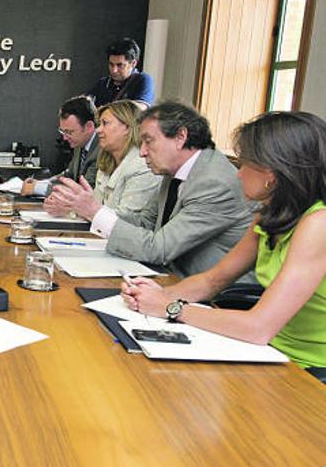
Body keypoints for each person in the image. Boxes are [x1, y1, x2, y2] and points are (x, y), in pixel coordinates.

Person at [122, 111, 326, 369]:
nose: (238, 174)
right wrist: (155, 294)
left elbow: (259, 327)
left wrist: (171, 307)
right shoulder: (269, 213)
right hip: (266, 351)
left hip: (308, 370)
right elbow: (213, 280)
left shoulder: (318, 224)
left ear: (272, 173)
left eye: (246, 163)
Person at [90, 102, 255, 279]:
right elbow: (146, 222)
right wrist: (94, 211)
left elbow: (159, 249)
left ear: (180, 137)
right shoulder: (175, 169)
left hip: (213, 297)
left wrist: (95, 212)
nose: (142, 152)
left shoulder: (214, 183)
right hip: (174, 277)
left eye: (148, 141)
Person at [44, 100, 162, 220]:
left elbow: (127, 221)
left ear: (128, 127)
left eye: (105, 123)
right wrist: (70, 209)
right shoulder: (106, 161)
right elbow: (94, 207)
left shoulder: (143, 166)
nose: (98, 130)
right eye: (99, 124)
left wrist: (71, 209)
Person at [21, 95, 99, 197]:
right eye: (62, 131)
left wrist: (38, 188)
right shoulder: (80, 142)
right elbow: (68, 175)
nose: (65, 138)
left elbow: (85, 191)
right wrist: (43, 182)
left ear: (89, 126)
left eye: (69, 132)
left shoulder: (101, 149)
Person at [86, 37, 154, 107]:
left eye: (120, 65)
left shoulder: (143, 80)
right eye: (111, 64)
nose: (114, 70)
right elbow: (85, 102)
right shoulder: (103, 83)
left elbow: (140, 109)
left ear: (133, 63)